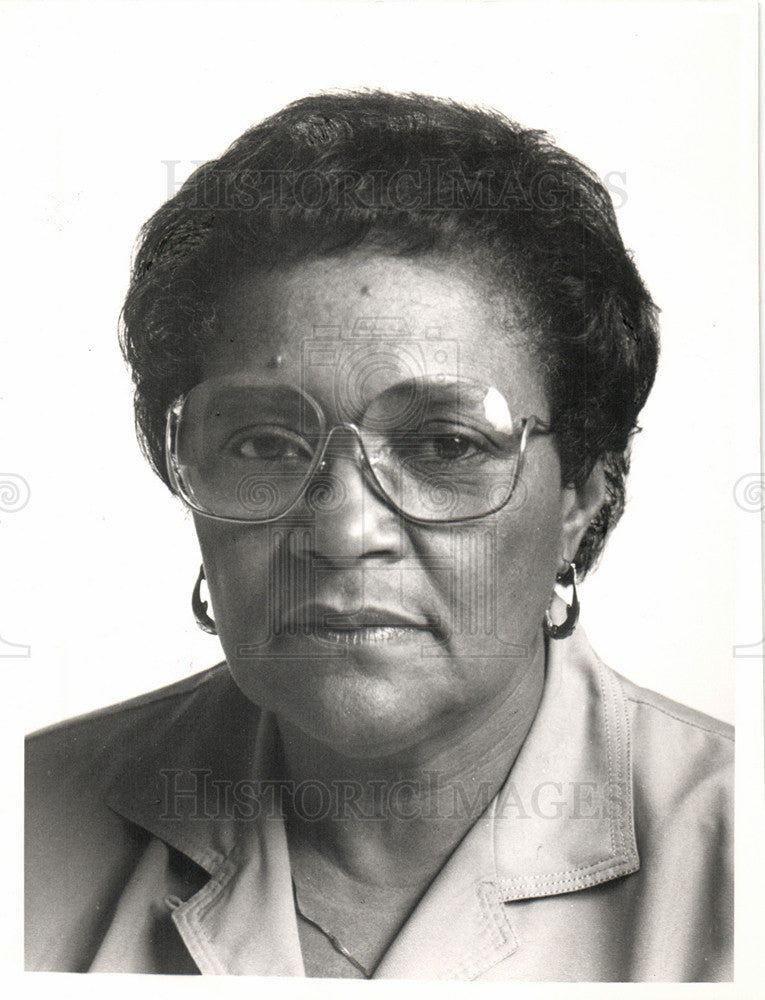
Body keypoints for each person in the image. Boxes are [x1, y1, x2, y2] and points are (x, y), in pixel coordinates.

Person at [25, 91, 732, 980]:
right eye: (264, 443)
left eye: (445, 444)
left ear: (580, 499)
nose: (343, 530)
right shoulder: (25, 823)